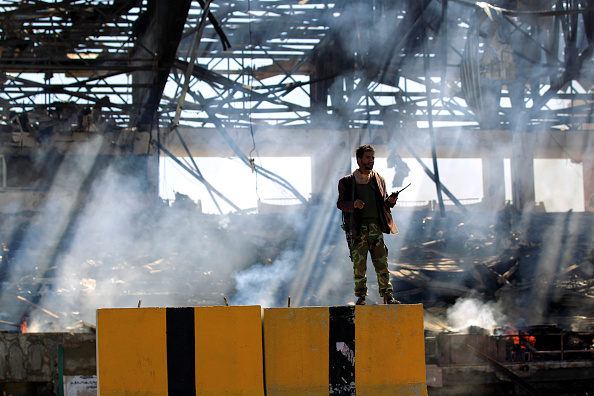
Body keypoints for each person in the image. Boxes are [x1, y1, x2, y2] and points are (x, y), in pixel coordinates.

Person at [337, 144, 400, 305]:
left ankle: (388, 295)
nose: (371, 160)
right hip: (358, 230)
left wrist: (391, 201)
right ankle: (361, 297)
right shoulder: (347, 182)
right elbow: (341, 204)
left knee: (382, 264)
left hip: (376, 228)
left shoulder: (379, 180)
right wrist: (353, 204)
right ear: (359, 160)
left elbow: (384, 202)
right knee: (359, 266)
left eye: (372, 157)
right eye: (368, 157)